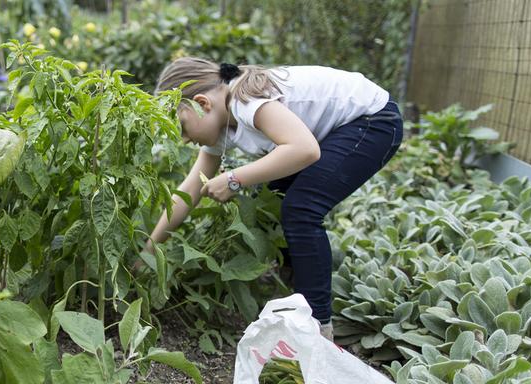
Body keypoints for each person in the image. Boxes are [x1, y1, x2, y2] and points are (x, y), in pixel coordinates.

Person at [147, 57, 404, 341]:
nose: (183, 140)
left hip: (373, 120)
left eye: (182, 128)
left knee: (301, 209)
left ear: (202, 103)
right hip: (338, 130)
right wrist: (149, 250)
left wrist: (235, 178)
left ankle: (317, 328)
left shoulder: (246, 101)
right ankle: (297, 295)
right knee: (275, 196)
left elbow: (305, 150)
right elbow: (189, 190)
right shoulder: (220, 122)